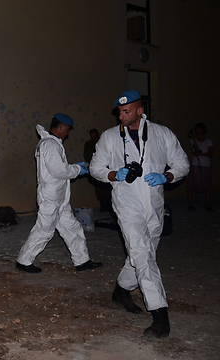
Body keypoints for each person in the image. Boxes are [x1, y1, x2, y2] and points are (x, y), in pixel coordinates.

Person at [89, 90, 190, 338]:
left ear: (140, 111)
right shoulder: (110, 137)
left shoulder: (162, 134)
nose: (120, 116)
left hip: (154, 205)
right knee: (144, 256)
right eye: (119, 112)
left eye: (126, 111)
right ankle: (159, 313)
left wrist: (167, 176)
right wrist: (114, 174)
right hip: (126, 204)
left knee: (142, 253)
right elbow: (95, 168)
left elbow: (182, 163)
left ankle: (121, 290)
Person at [16, 113, 103, 274]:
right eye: (68, 130)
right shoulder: (50, 144)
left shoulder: (53, 143)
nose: (68, 133)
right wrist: (77, 169)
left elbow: (58, 167)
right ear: (61, 127)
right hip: (50, 197)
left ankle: (82, 261)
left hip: (59, 197)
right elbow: (59, 170)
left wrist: (73, 167)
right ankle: (24, 260)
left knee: (72, 228)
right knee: (44, 230)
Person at [186, 122, 214, 212]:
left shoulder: (208, 141)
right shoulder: (193, 140)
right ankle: (190, 204)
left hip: (206, 165)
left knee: (207, 186)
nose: (198, 131)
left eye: (200, 129)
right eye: (196, 130)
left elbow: (210, 153)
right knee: (192, 185)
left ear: (204, 130)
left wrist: (200, 154)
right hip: (195, 164)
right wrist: (193, 138)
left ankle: (208, 205)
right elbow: (196, 149)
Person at [84, 129, 113, 212]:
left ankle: (108, 204)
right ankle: (102, 204)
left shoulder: (104, 141)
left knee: (107, 188)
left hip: (106, 168)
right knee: (98, 189)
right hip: (95, 168)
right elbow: (86, 155)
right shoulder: (89, 144)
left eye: (95, 137)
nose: (94, 139)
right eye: (92, 137)